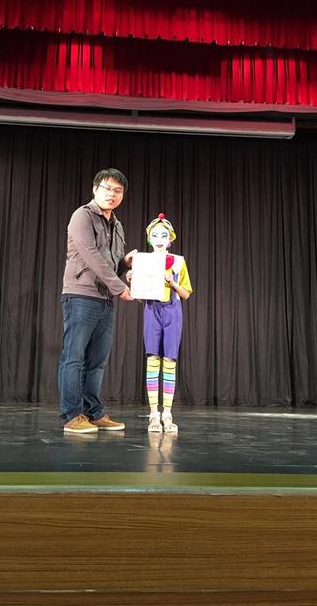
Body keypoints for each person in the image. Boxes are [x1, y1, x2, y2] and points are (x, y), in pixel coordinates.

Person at [58, 168, 136, 434]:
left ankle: (93, 412)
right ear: (95, 189)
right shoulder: (82, 216)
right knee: (74, 357)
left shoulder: (117, 225)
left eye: (118, 190)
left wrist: (125, 264)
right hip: (81, 295)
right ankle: (72, 416)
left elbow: (110, 264)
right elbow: (91, 256)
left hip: (105, 299)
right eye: (107, 188)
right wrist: (120, 287)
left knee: (97, 360)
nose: (112, 194)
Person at [142, 213, 193, 433]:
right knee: (153, 359)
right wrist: (132, 279)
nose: (159, 239)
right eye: (155, 235)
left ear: (170, 239)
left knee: (170, 360)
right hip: (152, 310)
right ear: (149, 239)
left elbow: (186, 294)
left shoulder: (179, 261)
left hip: (173, 311)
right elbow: (139, 294)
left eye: (164, 235)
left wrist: (173, 283)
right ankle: (154, 414)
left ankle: (168, 413)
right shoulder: (144, 261)